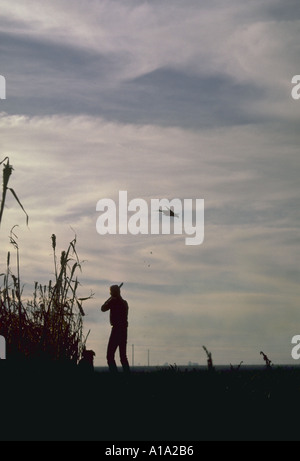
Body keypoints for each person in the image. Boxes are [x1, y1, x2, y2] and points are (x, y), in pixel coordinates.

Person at [101, 285, 130, 374]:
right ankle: (127, 376)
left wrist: (109, 299)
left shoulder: (113, 302)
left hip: (116, 330)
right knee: (123, 356)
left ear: (113, 292)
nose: (110, 293)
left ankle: (115, 376)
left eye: (110, 292)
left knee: (110, 356)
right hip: (124, 331)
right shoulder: (125, 303)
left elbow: (102, 308)